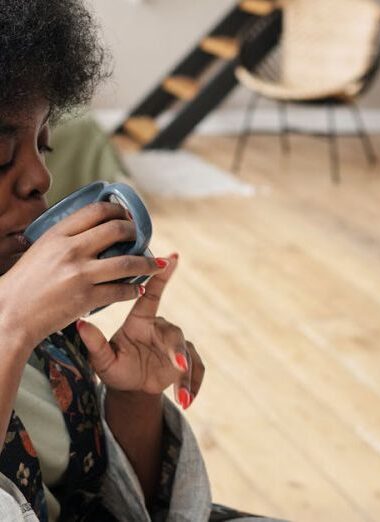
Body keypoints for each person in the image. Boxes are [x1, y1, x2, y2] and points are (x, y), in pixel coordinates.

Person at [0, 1, 288, 521]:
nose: (39, 178)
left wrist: (133, 396)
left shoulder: (46, 319)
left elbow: (117, 505)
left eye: (43, 145)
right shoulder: (20, 311)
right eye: (0, 155)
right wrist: (9, 324)